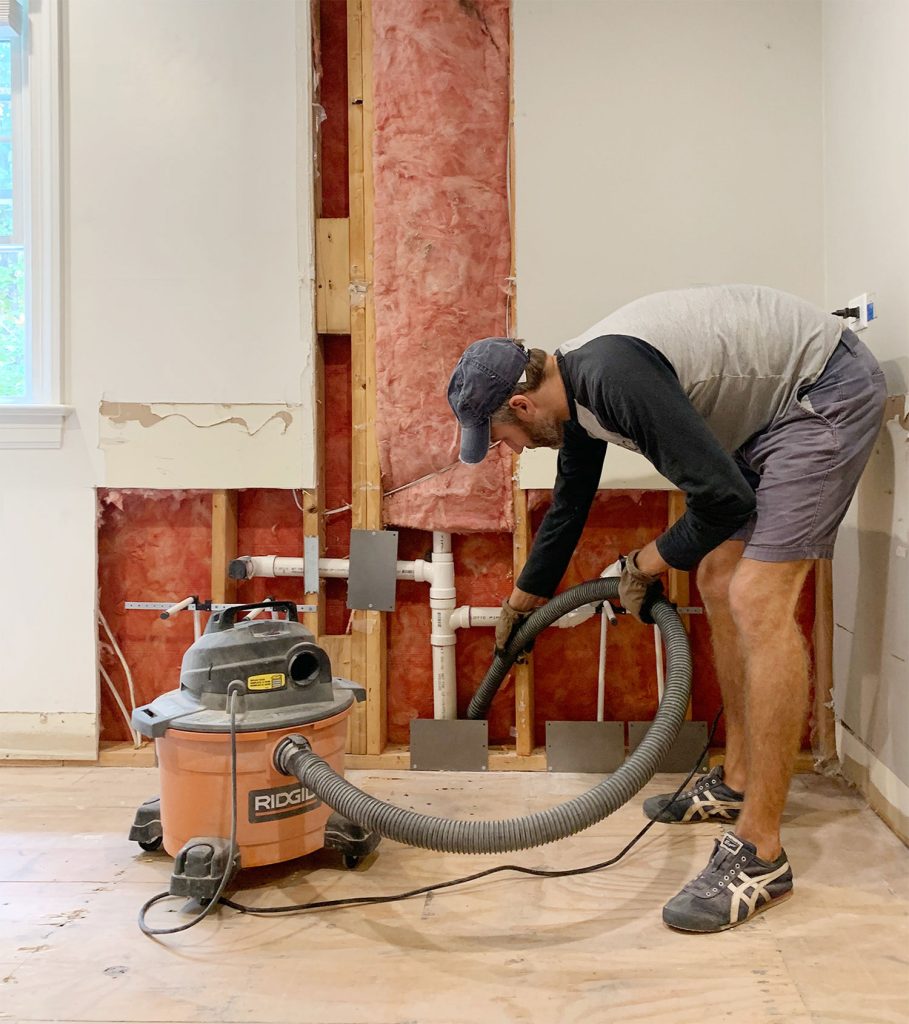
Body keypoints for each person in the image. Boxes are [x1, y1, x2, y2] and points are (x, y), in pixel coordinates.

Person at [446, 284, 886, 933]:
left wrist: (641, 564)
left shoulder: (610, 376)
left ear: (519, 404)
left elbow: (722, 504)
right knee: (716, 573)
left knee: (755, 594)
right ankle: (736, 778)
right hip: (771, 415)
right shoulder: (578, 395)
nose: (508, 449)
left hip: (822, 391)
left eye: (502, 436)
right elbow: (570, 506)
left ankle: (760, 850)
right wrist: (521, 602)